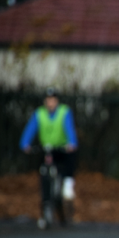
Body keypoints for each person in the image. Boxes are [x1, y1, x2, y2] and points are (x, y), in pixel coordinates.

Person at [20, 87, 79, 227]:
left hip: (61, 150)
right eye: (48, 100)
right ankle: (46, 208)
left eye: (52, 100)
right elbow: (31, 128)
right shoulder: (40, 113)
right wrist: (25, 144)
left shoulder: (64, 112)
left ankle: (68, 184)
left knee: (67, 165)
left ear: (56, 101)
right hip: (46, 149)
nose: (50, 103)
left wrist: (71, 143)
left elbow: (69, 129)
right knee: (43, 174)